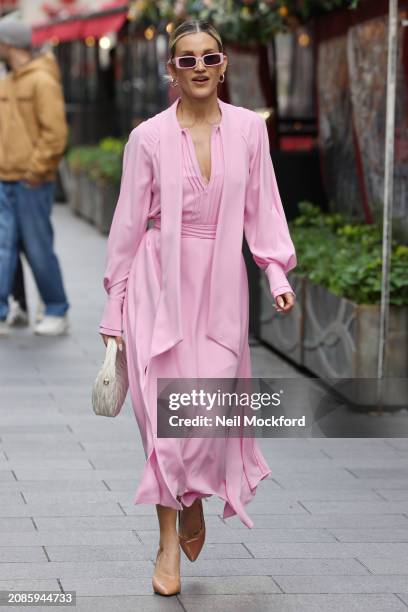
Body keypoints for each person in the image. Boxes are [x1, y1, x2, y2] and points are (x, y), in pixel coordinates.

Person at [99, 19, 297, 596]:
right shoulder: (149, 138)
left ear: (223, 65)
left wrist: (276, 270)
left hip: (222, 290)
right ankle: (167, 544)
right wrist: (115, 311)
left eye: (209, 57)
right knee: (164, 422)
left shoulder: (248, 133)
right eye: (187, 60)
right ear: (172, 72)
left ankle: (194, 502)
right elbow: (128, 228)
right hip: (157, 288)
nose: (200, 68)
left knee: (205, 418)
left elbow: (263, 207)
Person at [0, 15, 69, 337]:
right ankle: (6, 309)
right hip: (6, 179)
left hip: (31, 182)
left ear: (8, 44)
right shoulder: (9, 80)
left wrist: (35, 172)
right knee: (5, 247)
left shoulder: (41, 80)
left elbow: (55, 133)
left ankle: (56, 308)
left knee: (38, 247)